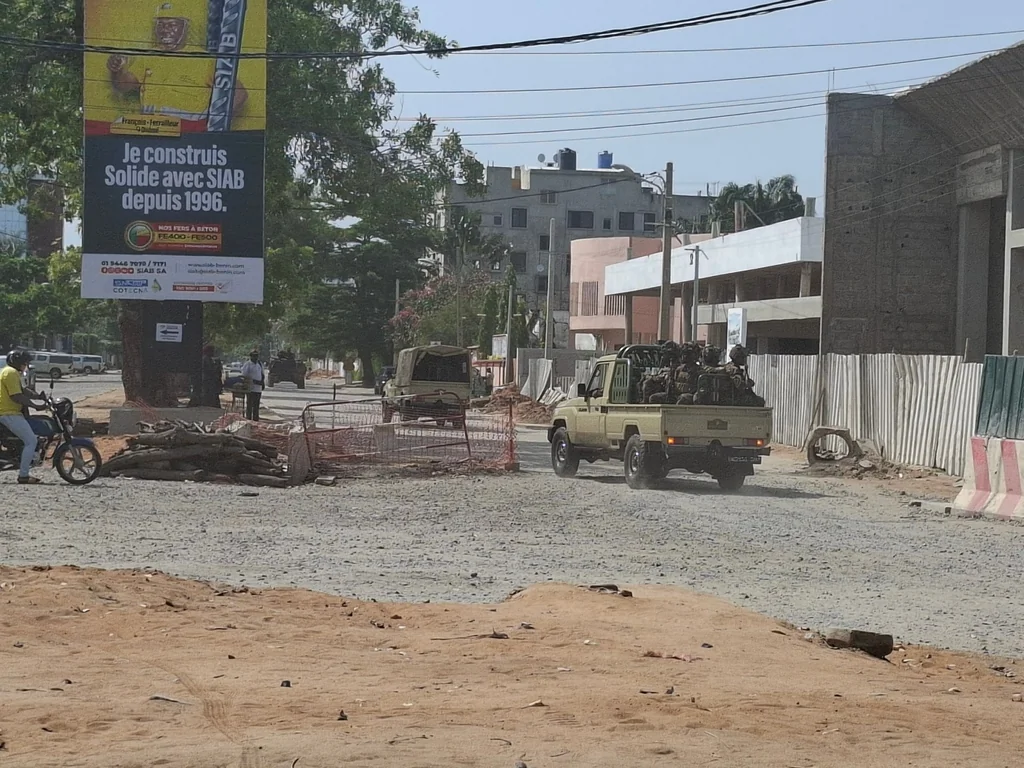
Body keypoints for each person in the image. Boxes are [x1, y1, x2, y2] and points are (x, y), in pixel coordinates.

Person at [106, 1, 248, 125]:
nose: (165, 30)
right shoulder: (148, 56)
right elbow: (123, 86)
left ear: (185, 27)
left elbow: (240, 94)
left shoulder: (204, 60)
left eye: (172, 25)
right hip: (151, 131)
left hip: (188, 137)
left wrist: (213, 124)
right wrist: (117, 71)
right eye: (160, 25)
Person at [0, 350, 47, 485]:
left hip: (11, 413)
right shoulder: (10, 373)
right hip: (8, 413)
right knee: (31, 441)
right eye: (25, 363)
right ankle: (24, 476)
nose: (26, 366)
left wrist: (38, 396)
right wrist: (35, 406)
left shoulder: (11, 372)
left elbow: (23, 390)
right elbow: (16, 396)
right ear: (18, 362)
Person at [240, 349, 264, 422]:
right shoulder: (248, 364)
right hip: (250, 388)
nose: (255, 357)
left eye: (256, 356)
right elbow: (244, 376)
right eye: (254, 356)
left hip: (258, 389)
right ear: (251, 356)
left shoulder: (259, 364)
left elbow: (262, 374)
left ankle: (256, 421)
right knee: (249, 405)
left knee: (256, 406)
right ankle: (248, 420)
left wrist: (262, 383)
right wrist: (253, 381)